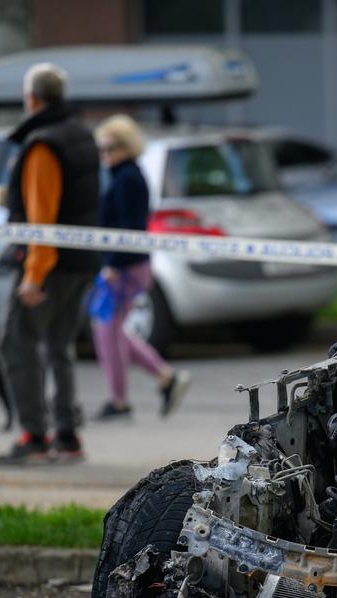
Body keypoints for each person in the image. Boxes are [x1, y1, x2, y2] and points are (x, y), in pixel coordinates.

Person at [0, 63, 100, 466]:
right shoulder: (81, 133)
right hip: (81, 262)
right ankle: (68, 437)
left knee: (15, 343)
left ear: (32, 98)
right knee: (59, 346)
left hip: (49, 267)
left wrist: (34, 275)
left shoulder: (42, 145)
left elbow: (42, 220)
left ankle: (35, 436)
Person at [90, 114, 190, 420]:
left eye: (112, 146)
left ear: (128, 145)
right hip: (127, 264)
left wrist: (113, 265)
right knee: (112, 331)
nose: (106, 153)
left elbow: (129, 227)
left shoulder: (127, 177)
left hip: (125, 267)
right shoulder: (123, 175)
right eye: (102, 148)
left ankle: (120, 401)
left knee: (108, 332)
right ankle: (164, 376)